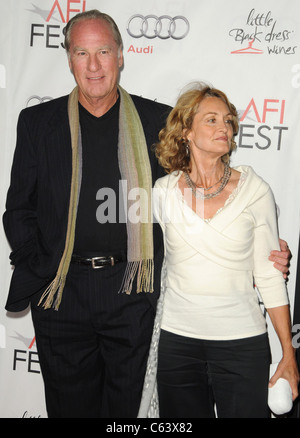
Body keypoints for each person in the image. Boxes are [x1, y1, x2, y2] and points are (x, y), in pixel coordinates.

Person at [2, 11, 290, 419]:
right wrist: (41, 265)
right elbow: (18, 209)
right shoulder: (36, 123)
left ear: (120, 55)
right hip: (62, 294)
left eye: (103, 51)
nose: (94, 64)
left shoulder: (158, 122)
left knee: (126, 415)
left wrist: (265, 243)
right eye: (82, 53)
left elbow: (204, 190)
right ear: (69, 59)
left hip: (132, 294)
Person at [138, 83, 299, 419]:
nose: (223, 128)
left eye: (227, 121)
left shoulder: (256, 191)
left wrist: (287, 352)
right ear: (186, 132)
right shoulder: (162, 193)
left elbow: (269, 275)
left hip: (242, 343)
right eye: (211, 120)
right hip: (177, 344)